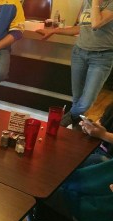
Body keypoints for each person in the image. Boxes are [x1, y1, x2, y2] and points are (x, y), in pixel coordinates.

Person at [36, 0, 113, 129]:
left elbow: (96, 23)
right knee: (77, 100)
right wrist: (55, 31)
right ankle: (75, 134)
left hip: (102, 57)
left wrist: (95, 1)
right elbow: (81, 27)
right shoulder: (86, 2)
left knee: (86, 102)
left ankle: (60, 123)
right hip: (79, 53)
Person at [79, 102, 113, 166]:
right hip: (98, 148)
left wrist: (103, 134)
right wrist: (91, 128)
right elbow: (102, 121)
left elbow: (102, 133)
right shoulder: (111, 107)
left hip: (108, 156)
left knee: (76, 163)